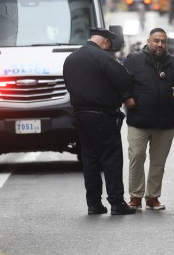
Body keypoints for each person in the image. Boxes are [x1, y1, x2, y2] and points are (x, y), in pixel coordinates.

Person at [63, 28, 136, 215]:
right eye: (109, 45)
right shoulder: (103, 57)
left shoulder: (71, 59)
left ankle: (94, 204)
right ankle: (117, 203)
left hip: (80, 115)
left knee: (90, 160)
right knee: (111, 158)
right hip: (102, 116)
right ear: (105, 42)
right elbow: (125, 80)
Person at [123, 28, 174, 210]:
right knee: (136, 158)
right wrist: (127, 98)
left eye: (163, 41)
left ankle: (152, 197)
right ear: (148, 41)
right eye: (156, 40)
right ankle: (135, 196)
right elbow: (121, 82)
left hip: (165, 123)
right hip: (138, 121)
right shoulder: (134, 61)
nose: (159, 44)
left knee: (158, 163)